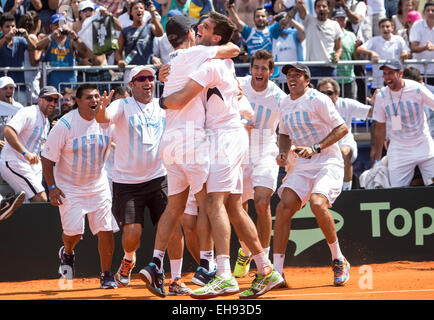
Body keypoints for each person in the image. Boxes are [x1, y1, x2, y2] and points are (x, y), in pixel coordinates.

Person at [157, 11, 284, 299]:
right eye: (198, 26)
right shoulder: (215, 62)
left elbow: (178, 101)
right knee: (234, 208)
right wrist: (164, 72)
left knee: (215, 203)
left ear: (215, 37)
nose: (198, 29)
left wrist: (161, 97)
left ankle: (225, 275)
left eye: (205, 26)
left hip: (223, 138)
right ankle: (266, 270)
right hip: (229, 137)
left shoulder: (209, 64)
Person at [139, 14, 242, 297]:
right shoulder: (195, 53)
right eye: (196, 29)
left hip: (169, 144)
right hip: (190, 141)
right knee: (209, 203)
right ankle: (208, 265)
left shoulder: (174, 61)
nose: (199, 31)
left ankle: (154, 262)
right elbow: (234, 49)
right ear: (188, 34)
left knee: (174, 208)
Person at [94, 66, 184, 292]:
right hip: (127, 183)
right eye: (141, 79)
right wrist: (101, 109)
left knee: (174, 228)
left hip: (159, 177)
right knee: (132, 233)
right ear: (131, 84)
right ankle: (128, 259)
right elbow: (103, 118)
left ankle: (176, 280)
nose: (147, 82)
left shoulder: (162, 105)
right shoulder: (122, 105)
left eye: (150, 78)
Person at [274, 62, 350, 286]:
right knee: (283, 207)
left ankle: (338, 259)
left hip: (327, 160)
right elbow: (284, 134)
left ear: (307, 80)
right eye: (289, 75)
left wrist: (316, 147)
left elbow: (343, 128)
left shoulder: (318, 99)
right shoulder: (285, 103)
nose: (292, 78)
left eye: (297, 75)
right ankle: (277, 272)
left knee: (317, 204)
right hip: (302, 165)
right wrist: (282, 152)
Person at [41, 83, 119, 289]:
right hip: (70, 187)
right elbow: (47, 159)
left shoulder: (107, 122)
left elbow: (125, 142)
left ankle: (107, 274)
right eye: (88, 98)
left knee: (106, 230)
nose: (94, 100)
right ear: (78, 101)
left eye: (96, 97)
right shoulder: (65, 125)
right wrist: (52, 187)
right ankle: (67, 252)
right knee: (74, 234)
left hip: (98, 185)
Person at [232, 49, 287, 280]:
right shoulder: (238, 85)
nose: (259, 72)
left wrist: (286, 153)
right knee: (239, 207)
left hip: (265, 150)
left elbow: (287, 127)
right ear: (250, 69)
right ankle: (245, 251)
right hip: (240, 150)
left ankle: (262, 260)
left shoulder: (279, 97)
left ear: (271, 72)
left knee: (263, 203)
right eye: (256, 67)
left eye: (264, 68)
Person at [372, 59, 434, 187]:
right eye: (385, 74)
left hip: (423, 143)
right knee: (397, 191)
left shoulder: (417, 88)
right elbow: (380, 127)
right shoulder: (381, 96)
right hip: (399, 148)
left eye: (390, 73)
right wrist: (377, 158)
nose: (387, 77)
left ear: (400, 73)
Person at [0, 86, 60, 202]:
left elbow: (42, 147)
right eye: (49, 99)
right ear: (40, 100)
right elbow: (8, 131)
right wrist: (25, 153)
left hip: (32, 166)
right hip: (14, 162)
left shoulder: (46, 122)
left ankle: (7, 206)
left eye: (55, 100)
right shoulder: (29, 112)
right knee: (41, 199)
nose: (53, 103)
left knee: (29, 203)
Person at [317, 77, 372, 190]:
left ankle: (346, 190)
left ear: (336, 94)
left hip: (345, 144)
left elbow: (371, 112)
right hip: (323, 147)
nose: (326, 96)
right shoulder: (313, 107)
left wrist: (378, 102)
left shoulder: (346, 104)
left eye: (329, 93)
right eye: (322, 93)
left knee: (343, 151)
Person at [36, 13, 90, 91]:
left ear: (66, 25)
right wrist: (51, 37)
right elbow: (37, 47)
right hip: (52, 85)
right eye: (56, 25)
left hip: (69, 86)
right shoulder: (49, 40)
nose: (59, 27)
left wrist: (76, 38)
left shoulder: (71, 40)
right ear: (51, 27)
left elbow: (84, 53)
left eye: (62, 24)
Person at [295, 0, 343, 87]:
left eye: (324, 6)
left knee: (330, 97)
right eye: (318, 6)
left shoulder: (335, 25)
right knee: (312, 98)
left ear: (328, 9)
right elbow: (302, 9)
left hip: (329, 68)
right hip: (312, 68)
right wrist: (300, 3)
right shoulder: (309, 20)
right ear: (315, 9)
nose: (321, 9)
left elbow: (339, 48)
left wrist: (337, 55)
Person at [356, 17, 410, 92]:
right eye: (382, 27)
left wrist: (405, 52)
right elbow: (359, 49)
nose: (385, 29)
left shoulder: (399, 39)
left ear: (392, 28)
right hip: (378, 82)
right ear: (379, 29)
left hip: (396, 81)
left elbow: (408, 51)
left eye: (387, 26)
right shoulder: (374, 40)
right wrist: (371, 52)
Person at [116, 0, 164, 83]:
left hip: (148, 68)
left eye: (141, 8)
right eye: (136, 8)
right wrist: (120, 60)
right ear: (131, 12)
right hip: (131, 70)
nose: (139, 10)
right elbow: (118, 50)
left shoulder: (150, 27)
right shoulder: (125, 31)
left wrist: (153, 14)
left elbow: (160, 33)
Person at [226, 1, 294, 58]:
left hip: (272, 73)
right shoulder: (248, 32)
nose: (260, 18)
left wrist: (297, 6)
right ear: (253, 19)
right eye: (257, 16)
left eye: (263, 16)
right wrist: (230, 8)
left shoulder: (273, 30)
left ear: (267, 18)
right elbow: (237, 21)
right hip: (253, 73)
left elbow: (286, 20)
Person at [0, 13, 37, 106]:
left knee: (20, 114)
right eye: (7, 26)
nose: (10, 29)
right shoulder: (1, 40)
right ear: (1, 28)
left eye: (13, 26)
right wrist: (5, 38)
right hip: (2, 87)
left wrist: (27, 36)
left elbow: (33, 48)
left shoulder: (20, 40)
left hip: (19, 86)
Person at [333, 7, 358, 99]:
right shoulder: (329, 33)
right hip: (333, 77)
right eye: (338, 19)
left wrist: (357, 48)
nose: (340, 22)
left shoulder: (351, 35)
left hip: (348, 77)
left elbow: (355, 56)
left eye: (342, 19)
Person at [409, 1, 434, 85]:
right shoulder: (417, 25)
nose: (430, 12)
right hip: (419, 70)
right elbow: (413, 48)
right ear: (423, 13)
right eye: (428, 10)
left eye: (433, 10)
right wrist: (425, 47)